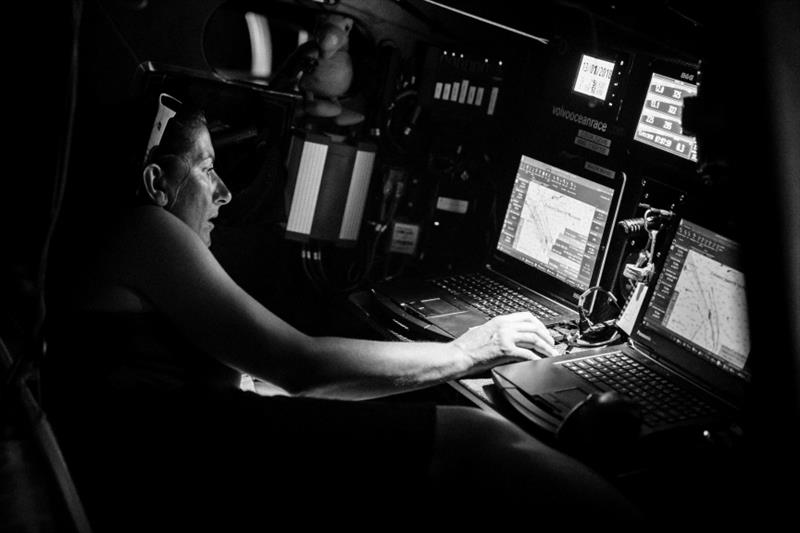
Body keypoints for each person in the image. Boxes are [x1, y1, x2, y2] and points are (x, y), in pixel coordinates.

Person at [42, 104, 642, 530]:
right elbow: (297, 364)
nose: (224, 192)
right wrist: (470, 350)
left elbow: (259, 376)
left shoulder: (119, 238)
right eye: (205, 168)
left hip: (173, 460)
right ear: (155, 181)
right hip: (191, 470)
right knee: (478, 437)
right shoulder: (143, 228)